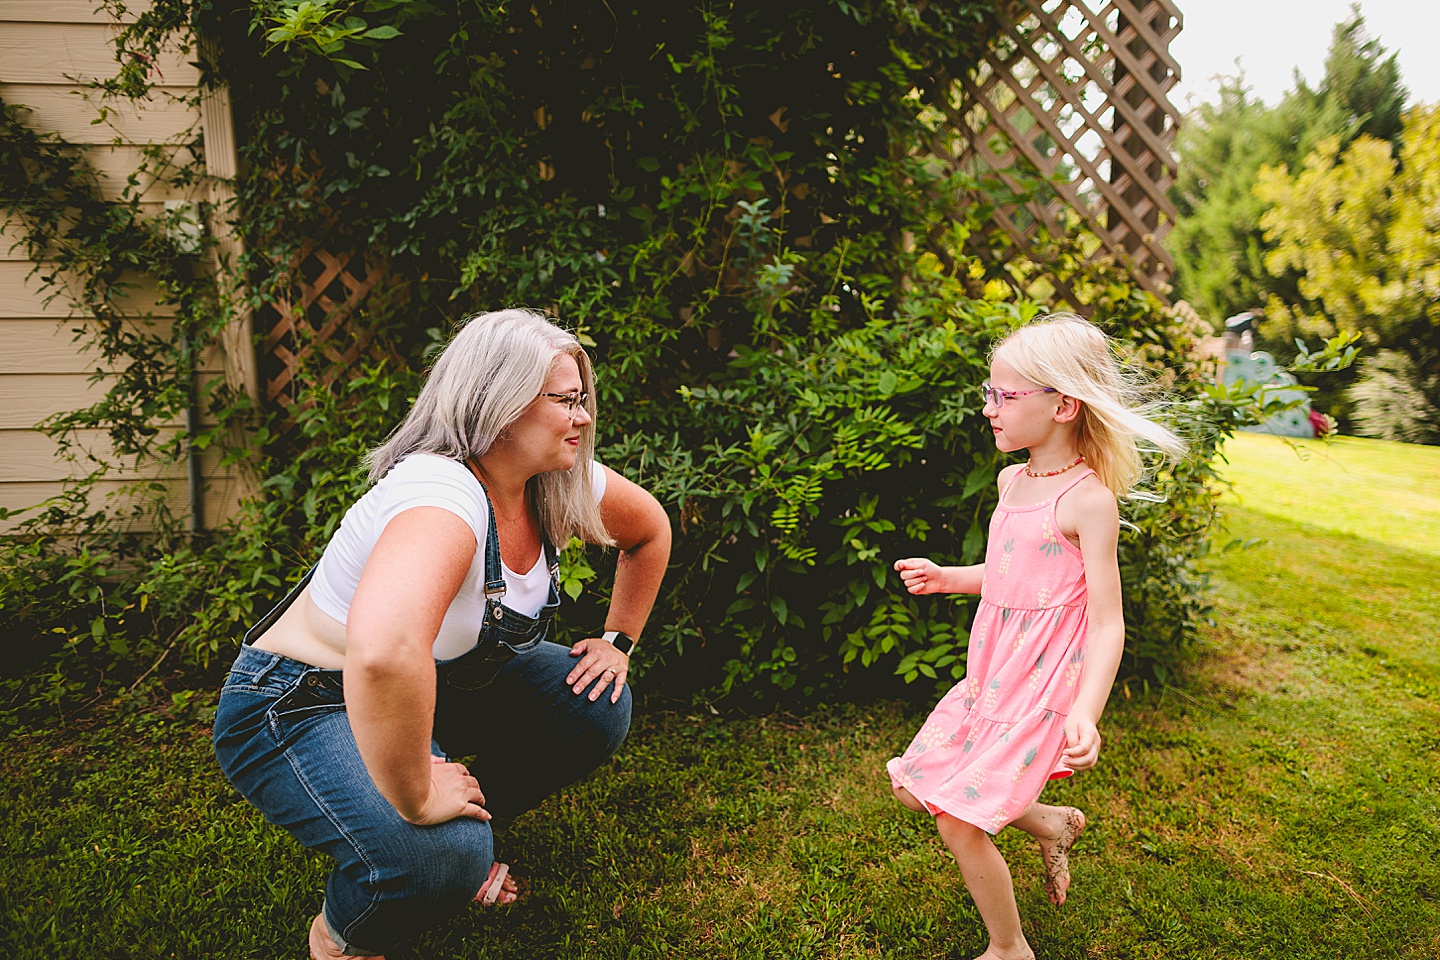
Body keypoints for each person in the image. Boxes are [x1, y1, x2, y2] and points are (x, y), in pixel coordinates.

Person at [213, 309, 672, 959]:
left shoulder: (551, 481)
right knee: (440, 857)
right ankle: (343, 935)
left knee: (595, 701)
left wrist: (617, 641)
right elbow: (381, 655)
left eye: (582, 399)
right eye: (567, 401)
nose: (584, 417)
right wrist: (417, 795)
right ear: (502, 405)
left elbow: (650, 531)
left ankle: (471, 824)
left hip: (435, 680)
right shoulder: (441, 497)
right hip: (302, 700)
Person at [887, 313, 1184, 960]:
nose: (988, 408)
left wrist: (1087, 712)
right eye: (988, 393)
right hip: (992, 676)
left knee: (958, 818)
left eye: (1004, 396)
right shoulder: (1010, 481)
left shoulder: (1087, 502)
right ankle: (1051, 822)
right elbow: (1011, 576)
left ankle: (1009, 947)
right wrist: (949, 578)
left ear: (1063, 405)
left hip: (1043, 689)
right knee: (914, 785)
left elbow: (1107, 621)